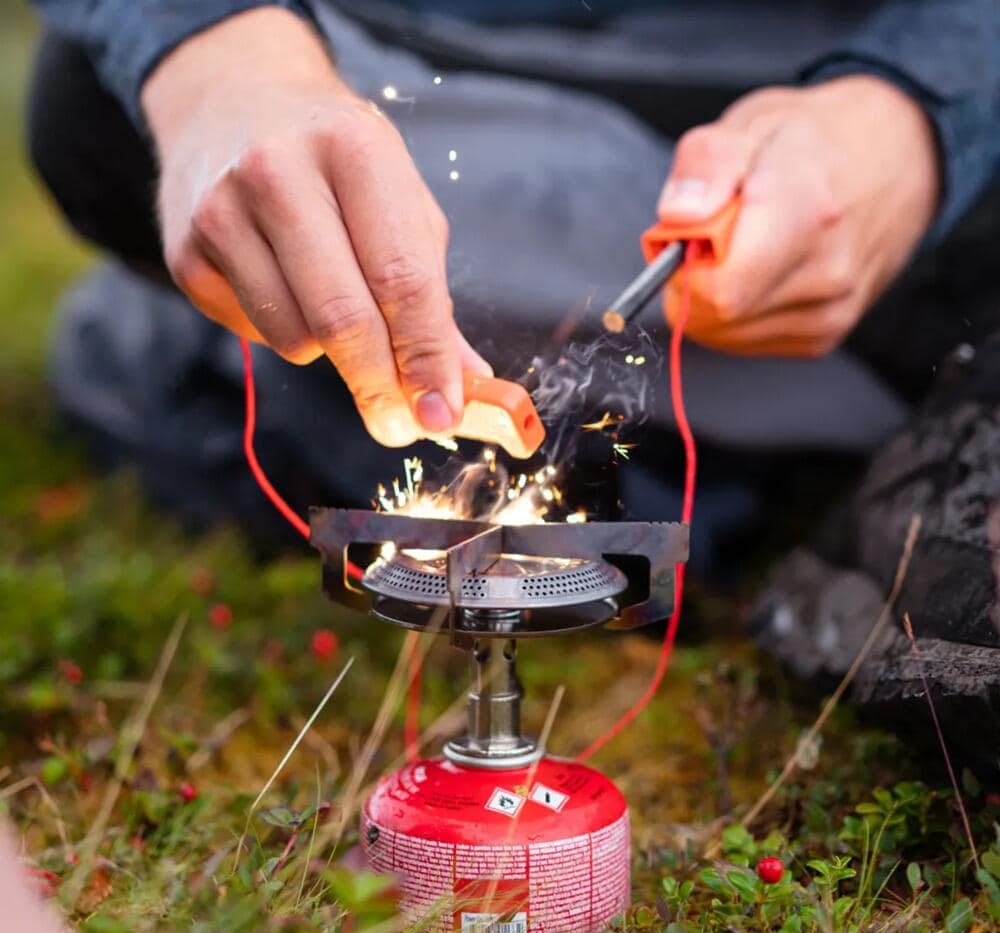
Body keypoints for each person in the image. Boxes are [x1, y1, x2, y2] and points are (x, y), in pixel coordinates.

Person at [25, 0, 1000, 778]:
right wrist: (223, 65)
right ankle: (810, 447)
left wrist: (914, 112)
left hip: (858, 103)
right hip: (427, 63)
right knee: (99, 114)